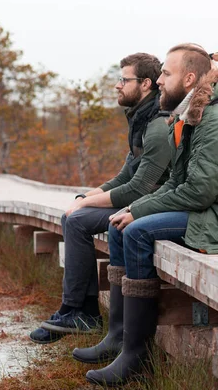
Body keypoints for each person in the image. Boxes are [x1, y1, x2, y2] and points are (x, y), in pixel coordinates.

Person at [82, 44, 218, 387]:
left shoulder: (217, 120)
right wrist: (132, 207)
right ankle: (119, 337)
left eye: (166, 73)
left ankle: (136, 354)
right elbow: (178, 181)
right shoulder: (193, 115)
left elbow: (199, 192)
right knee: (121, 227)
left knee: (137, 233)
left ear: (189, 79)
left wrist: (140, 213)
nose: (159, 80)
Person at [29, 53, 171, 350]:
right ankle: (78, 311)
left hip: (152, 205)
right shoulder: (141, 119)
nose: (118, 86)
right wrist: (87, 196)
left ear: (145, 84)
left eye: (124, 79)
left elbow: (140, 188)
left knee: (78, 219)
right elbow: (124, 177)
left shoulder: (157, 126)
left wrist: (83, 206)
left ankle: (81, 312)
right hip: (140, 199)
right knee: (72, 215)